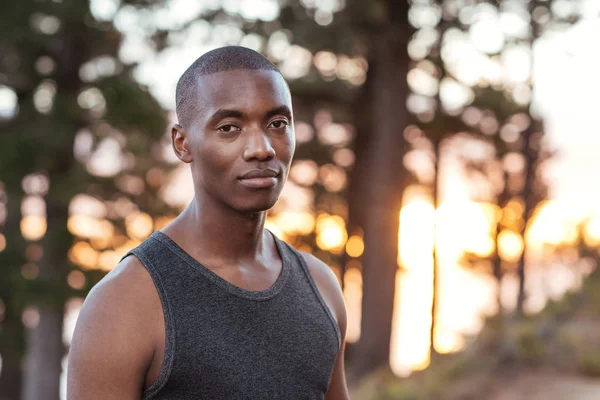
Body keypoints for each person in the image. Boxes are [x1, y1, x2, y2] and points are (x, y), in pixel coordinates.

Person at [67, 46, 349, 399]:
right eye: (230, 127)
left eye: (277, 124)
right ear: (183, 144)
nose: (261, 148)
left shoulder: (321, 287)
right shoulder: (124, 303)